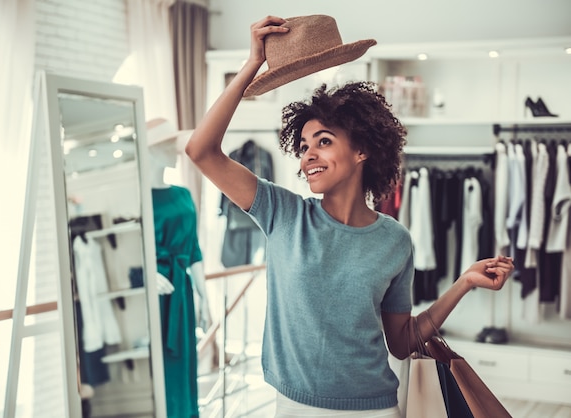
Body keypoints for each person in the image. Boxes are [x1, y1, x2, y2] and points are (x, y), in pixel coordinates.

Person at [185, 15, 514, 417]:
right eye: (304, 146)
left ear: (362, 150)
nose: (309, 155)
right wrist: (253, 63)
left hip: (371, 409)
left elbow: (402, 340)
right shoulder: (283, 213)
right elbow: (201, 150)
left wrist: (463, 283)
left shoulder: (394, 240)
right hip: (290, 405)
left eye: (323, 142)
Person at [147, 118, 210, 418]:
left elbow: (193, 248)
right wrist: (146, 274)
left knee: (184, 363)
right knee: (158, 368)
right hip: (152, 295)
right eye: (166, 146)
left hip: (181, 292)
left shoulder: (183, 194)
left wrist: (204, 296)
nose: (175, 152)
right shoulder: (138, 199)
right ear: (150, 151)